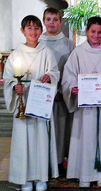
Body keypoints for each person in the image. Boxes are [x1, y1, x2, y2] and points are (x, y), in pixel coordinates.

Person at [3, 15, 60, 191]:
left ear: (40, 30)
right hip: (23, 104)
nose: (33, 32)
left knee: (41, 140)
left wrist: (49, 76)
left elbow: (55, 72)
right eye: (29, 28)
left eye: (36, 28)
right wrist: (14, 87)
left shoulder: (46, 52)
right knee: (23, 142)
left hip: (40, 104)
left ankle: (41, 177)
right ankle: (25, 178)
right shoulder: (15, 55)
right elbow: (7, 78)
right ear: (22, 31)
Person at [62, 16, 101, 188]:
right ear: (87, 31)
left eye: (99, 32)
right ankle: (84, 174)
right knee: (84, 137)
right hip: (84, 104)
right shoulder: (78, 52)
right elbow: (69, 75)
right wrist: (72, 87)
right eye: (93, 31)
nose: (96, 35)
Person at [39, 7, 75, 175]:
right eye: (48, 19)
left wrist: (62, 89)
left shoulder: (68, 43)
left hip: (60, 94)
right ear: (44, 21)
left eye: (55, 19)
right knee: (42, 128)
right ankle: (43, 161)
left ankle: (59, 161)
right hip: (40, 94)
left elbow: (71, 69)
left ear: (61, 22)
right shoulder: (37, 42)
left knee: (60, 128)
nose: (51, 23)